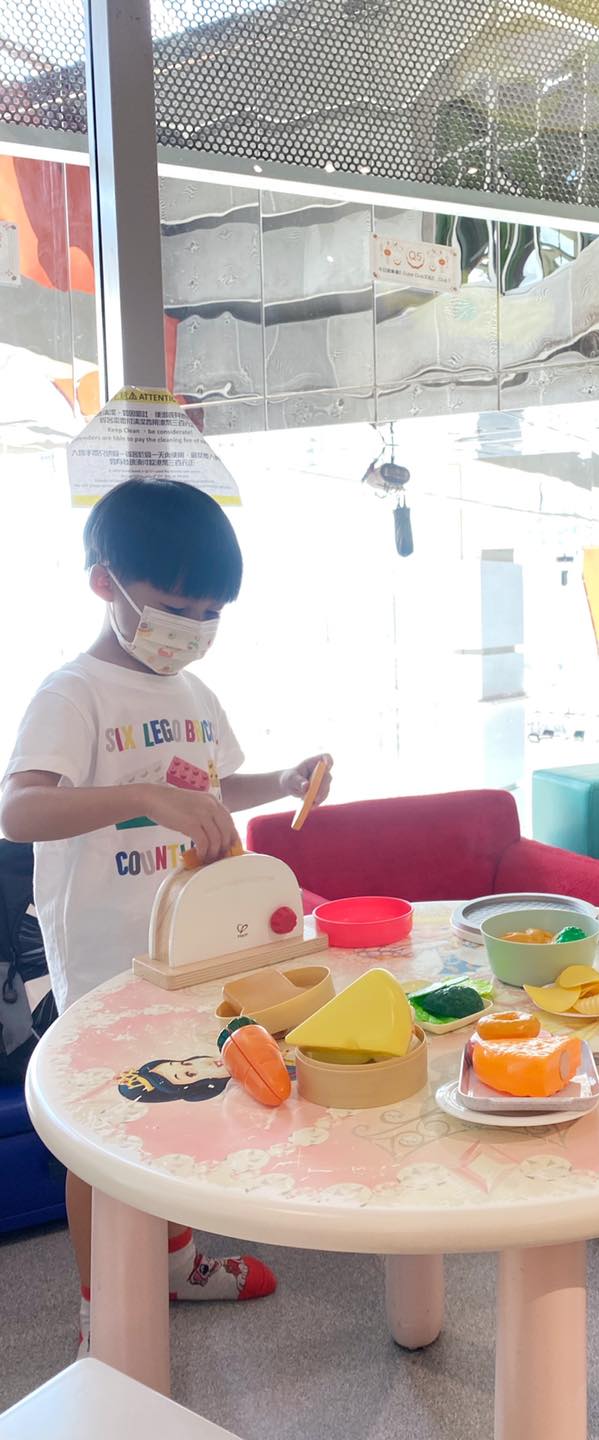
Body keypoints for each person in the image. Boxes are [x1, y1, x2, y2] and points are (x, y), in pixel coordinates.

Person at [0, 478, 333, 1353]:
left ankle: (177, 1264)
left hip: (191, 953)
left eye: (210, 615)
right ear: (103, 584)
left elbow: (213, 787)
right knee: (102, 1139)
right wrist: (140, 795)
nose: (193, 630)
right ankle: (102, 1311)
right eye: (176, 610)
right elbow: (20, 810)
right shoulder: (74, 694)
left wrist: (282, 781)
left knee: (180, 1105)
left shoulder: (191, 692)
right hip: (104, 961)